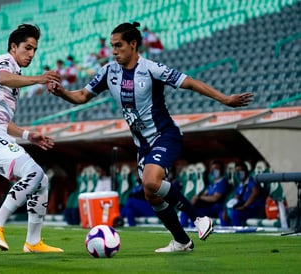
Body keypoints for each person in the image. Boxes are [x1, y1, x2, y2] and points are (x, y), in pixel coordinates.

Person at [49, 21, 253, 252]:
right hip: (142, 145)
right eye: (112, 46)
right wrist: (62, 92)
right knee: (151, 194)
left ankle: (198, 218)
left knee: (151, 182)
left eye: (119, 46)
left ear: (133, 44)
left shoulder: (151, 69)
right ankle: (182, 241)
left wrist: (225, 99)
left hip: (165, 135)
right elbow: (82, 96)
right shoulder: (108, 71)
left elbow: (190, 82)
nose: (114, 51)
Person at [0, 24, 63, 252]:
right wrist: (39, 79)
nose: (31, 53)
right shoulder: (4, 62)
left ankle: (33, 241)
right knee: (34, 173)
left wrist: (29, 135)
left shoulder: (15, 74)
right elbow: (3, 78)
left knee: (41, 181)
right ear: (13, 47)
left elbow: (2, 121)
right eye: (27, 48)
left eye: (34, 50)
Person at [180, 160, 230, 227]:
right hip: (208, 206)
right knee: (187, 208)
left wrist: (199, 197)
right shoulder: (212, 183)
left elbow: (214, 198)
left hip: (216, 207)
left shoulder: (223, 182)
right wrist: (196, 197)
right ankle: (183, 229)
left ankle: (193, 230)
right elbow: (204, 194)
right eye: (213, 169)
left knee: (195, 212)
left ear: (221, 170)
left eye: (217, 169)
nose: (214, 170)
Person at [220, 161, 266, 226]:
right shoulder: (240, 185)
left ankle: (237, 233)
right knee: (223, 214)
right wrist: (227, 210)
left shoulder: (251, 181)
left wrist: (244, 206)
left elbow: (255, 192)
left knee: (236, 214)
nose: (239, 173)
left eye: (241, 170)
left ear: (246, 171)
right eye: (237, 171)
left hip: (254, 208)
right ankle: (226, 234)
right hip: (245, 209)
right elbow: (236, 199)